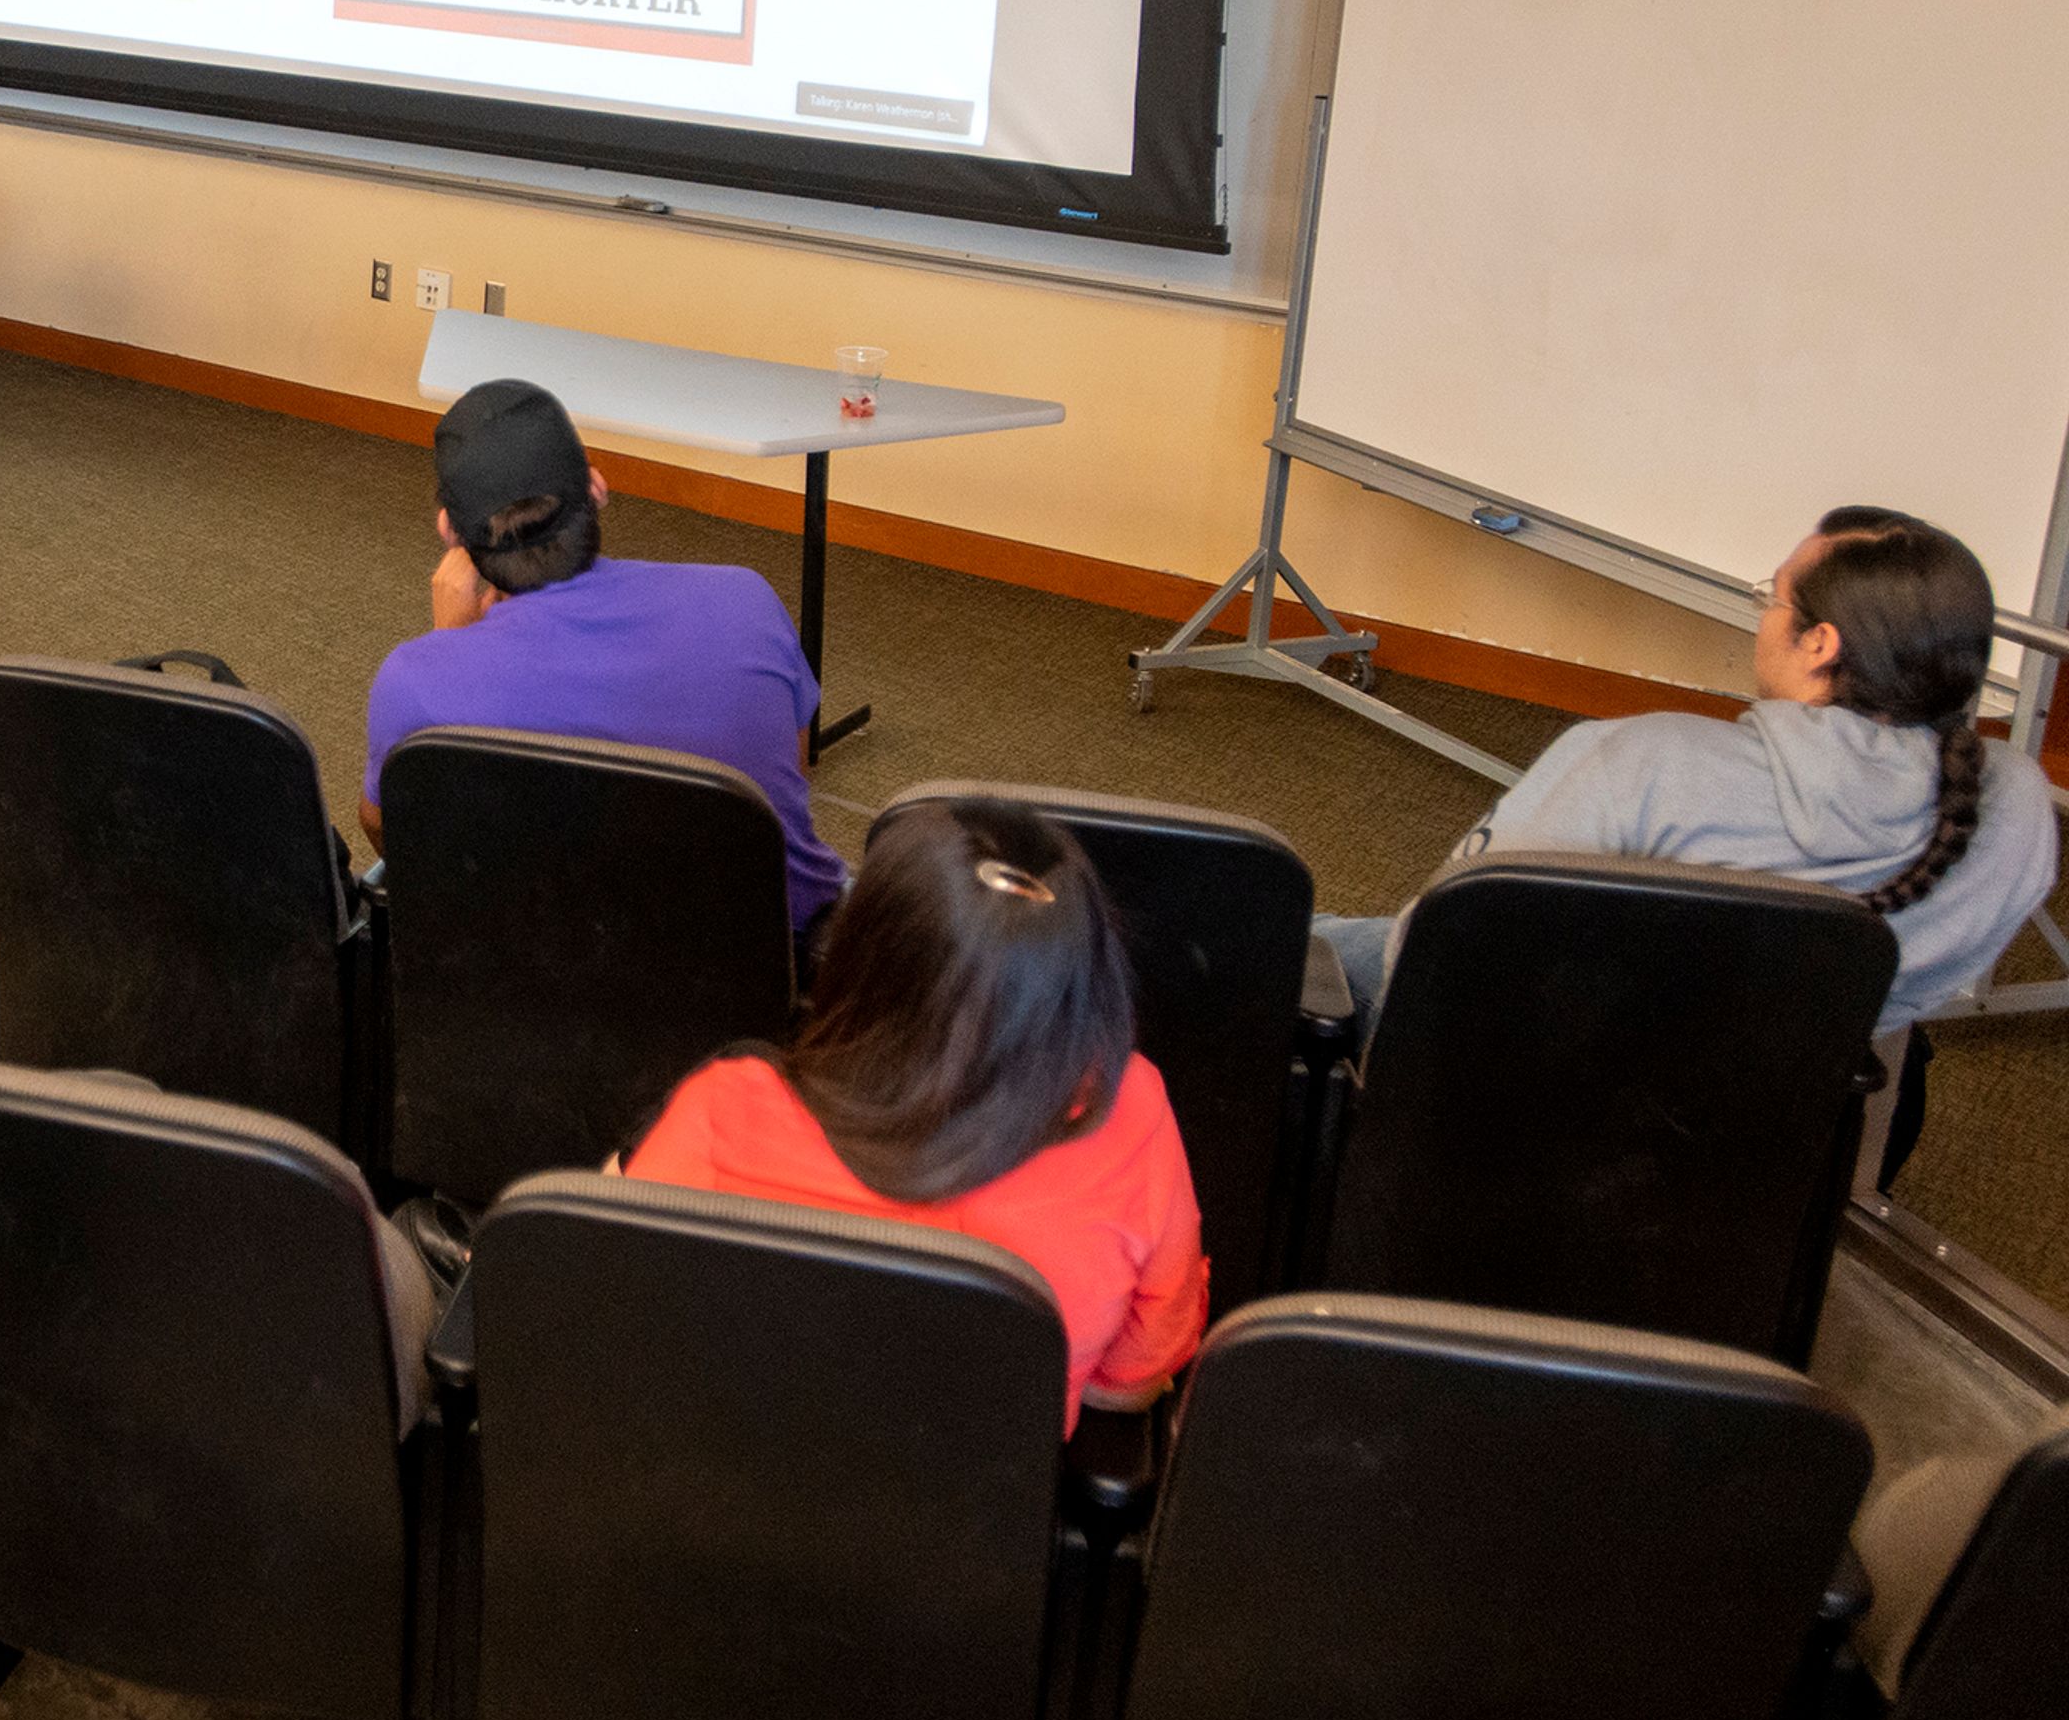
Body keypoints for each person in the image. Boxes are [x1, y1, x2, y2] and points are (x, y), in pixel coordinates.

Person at [1313, 507, 2058, 1174]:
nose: (1762, 614)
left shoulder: (1641, 763)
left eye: (1773, 597)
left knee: (1287, 936)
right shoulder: (2019, 808)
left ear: (1820, 643)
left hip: (1539, 1092)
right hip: (1765, 1118)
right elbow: (1908, 988)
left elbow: (1433, 956)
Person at [620, 797, 1208, 1428]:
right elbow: (1127, 1387)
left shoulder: (722, 1110)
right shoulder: (1131, 1111)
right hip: (980, 1516)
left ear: (856, 949)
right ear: (1087, 977)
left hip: (716, 1492)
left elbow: (619, 1304)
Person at [362, 377, 848, 933]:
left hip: (543, 983)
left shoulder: (414, 681)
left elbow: (407, 844)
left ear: (449, 531)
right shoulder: (747, 601)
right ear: (595, 489)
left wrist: (450, 648)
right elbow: (790, 767)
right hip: (770, 978)